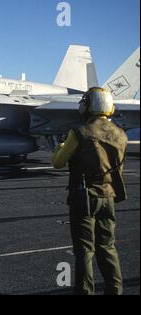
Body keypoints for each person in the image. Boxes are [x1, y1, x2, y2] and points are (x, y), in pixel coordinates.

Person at [52, 87, 128, 295]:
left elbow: (58, 163)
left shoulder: (79, 132)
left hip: (84, 197)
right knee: (108, 247)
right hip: (109, 197)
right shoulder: (121, 134)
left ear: (88, 105)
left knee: (85, 250)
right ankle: (115, 291)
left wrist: (60, 147)